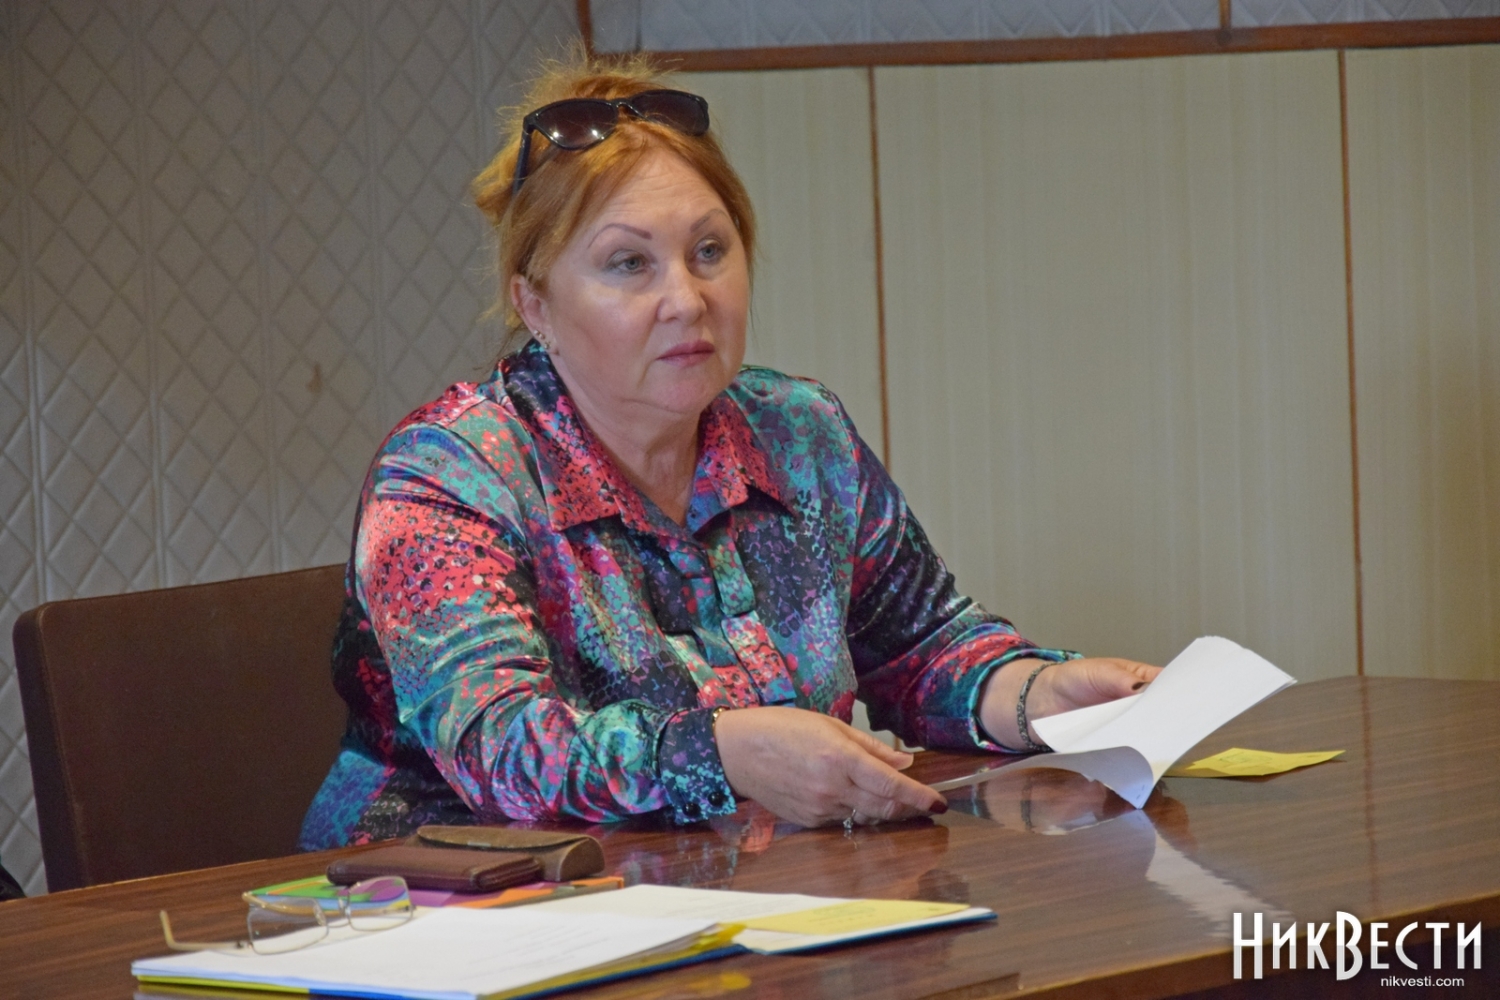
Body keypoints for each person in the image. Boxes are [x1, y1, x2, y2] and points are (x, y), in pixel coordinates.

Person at [298, 55, 1159, 850]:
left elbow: (921, 650)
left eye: (709, 251)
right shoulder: (445, 477)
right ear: (536, 305)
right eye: (628, 264)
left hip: (753, 895)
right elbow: (507, 753)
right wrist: (722, 753)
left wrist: (1039, 695)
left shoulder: (800, 432)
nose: (686, 298)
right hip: (452, 909)